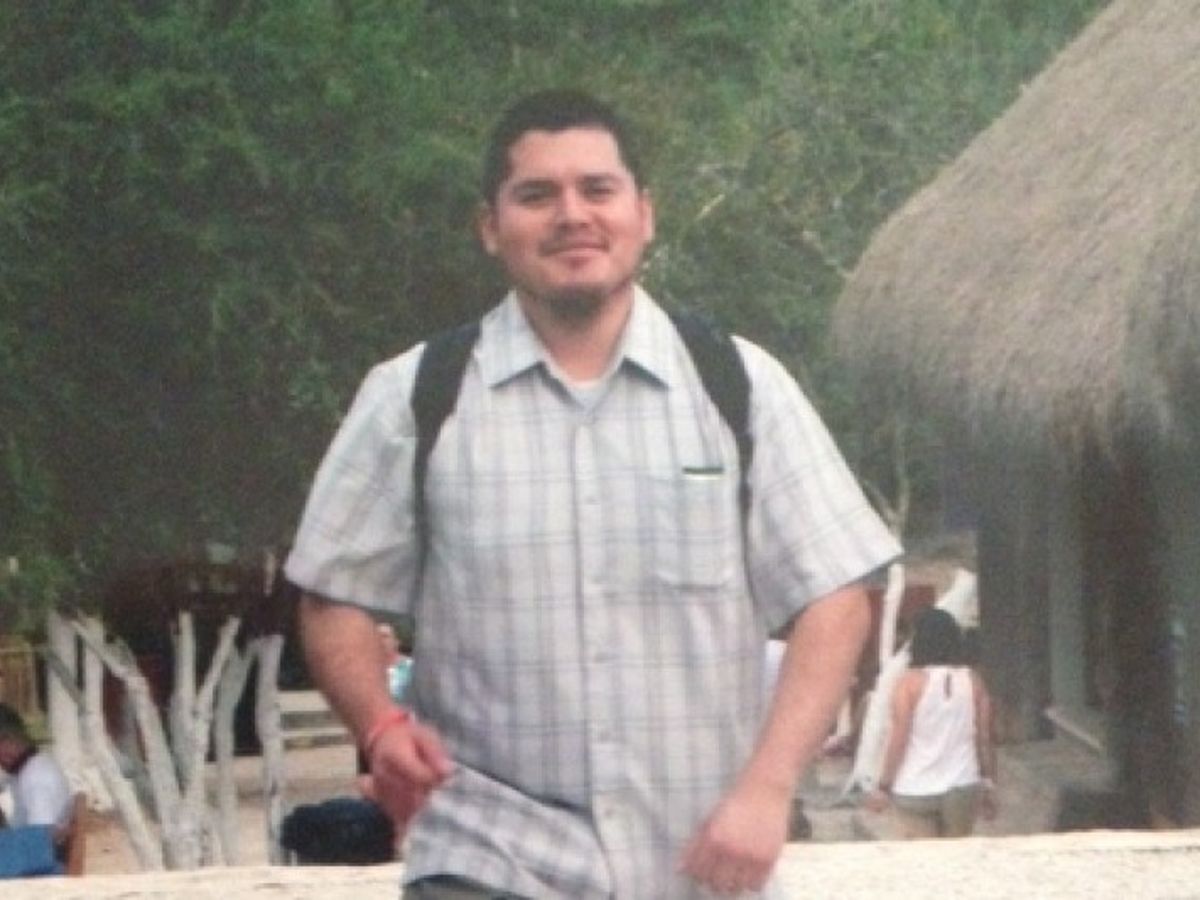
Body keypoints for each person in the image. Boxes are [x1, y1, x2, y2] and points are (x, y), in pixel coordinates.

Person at [286, 88, 900, 898]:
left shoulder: (739, 386)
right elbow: (332, 593)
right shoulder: (415, 398)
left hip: (697, 868)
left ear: (644, 213)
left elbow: (836, 597)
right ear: (490, 227)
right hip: (487, 856)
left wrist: (768, 788)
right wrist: (380, 724)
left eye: (597, 190)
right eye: (537, 195)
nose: (572, 215)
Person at [865, 608, 998, 838]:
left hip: (914, 787)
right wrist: (988, 782)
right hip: (962, 785)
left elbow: (899, 739)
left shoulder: (908, 684)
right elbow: (984, 738)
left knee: (923, 858)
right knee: (957, 855)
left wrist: (883, 786)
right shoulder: (973, 681)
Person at [0, 704, 72, 831]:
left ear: (9, 740)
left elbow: (40, 838)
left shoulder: (36, 779)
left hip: (34, 842)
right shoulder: (27, 767)